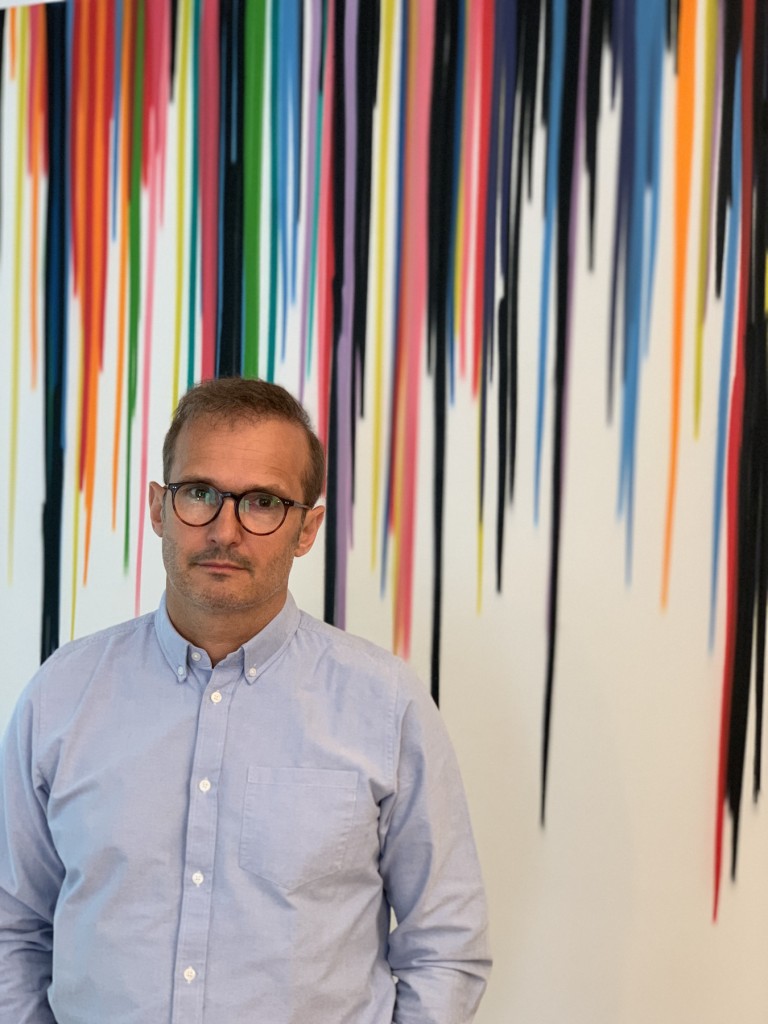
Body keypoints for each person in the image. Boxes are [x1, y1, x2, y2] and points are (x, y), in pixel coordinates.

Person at [0, 377, 491, 1024]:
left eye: (262, 502)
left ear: (307, 528)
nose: (225, 530)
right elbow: (13, 926)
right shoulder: (62, 696)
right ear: (157, 508)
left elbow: (446, 942)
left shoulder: (385, 706)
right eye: (199, 493)